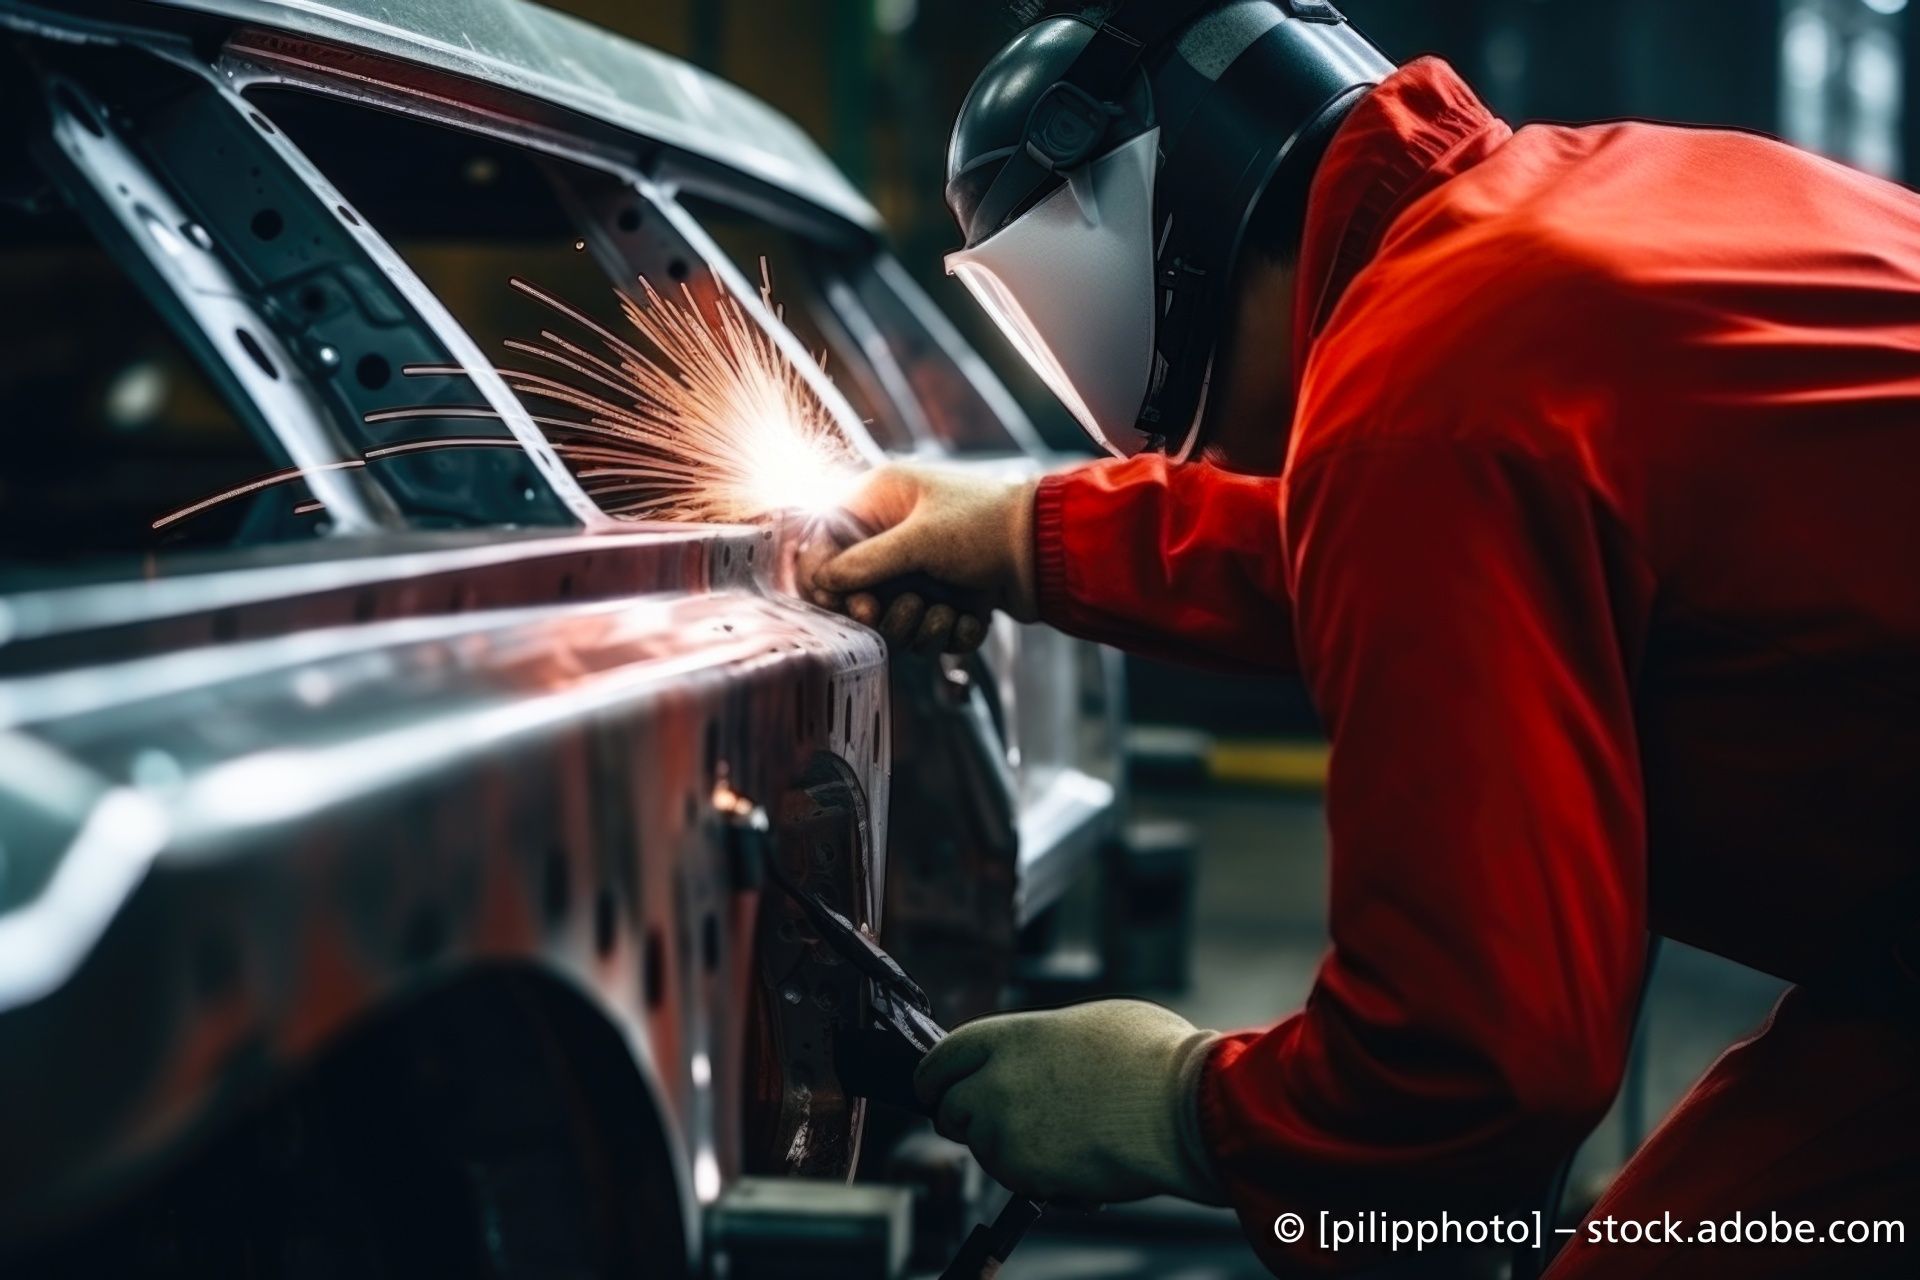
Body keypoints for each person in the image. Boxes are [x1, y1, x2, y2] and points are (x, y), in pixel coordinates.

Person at [804, 1, 1920, 1275]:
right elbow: (1430, 562)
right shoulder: (1584, 203)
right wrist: (1023, 530)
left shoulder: (1426, 391)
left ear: (1140, 252)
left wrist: (1177, 1107)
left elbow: (1480, 1060)